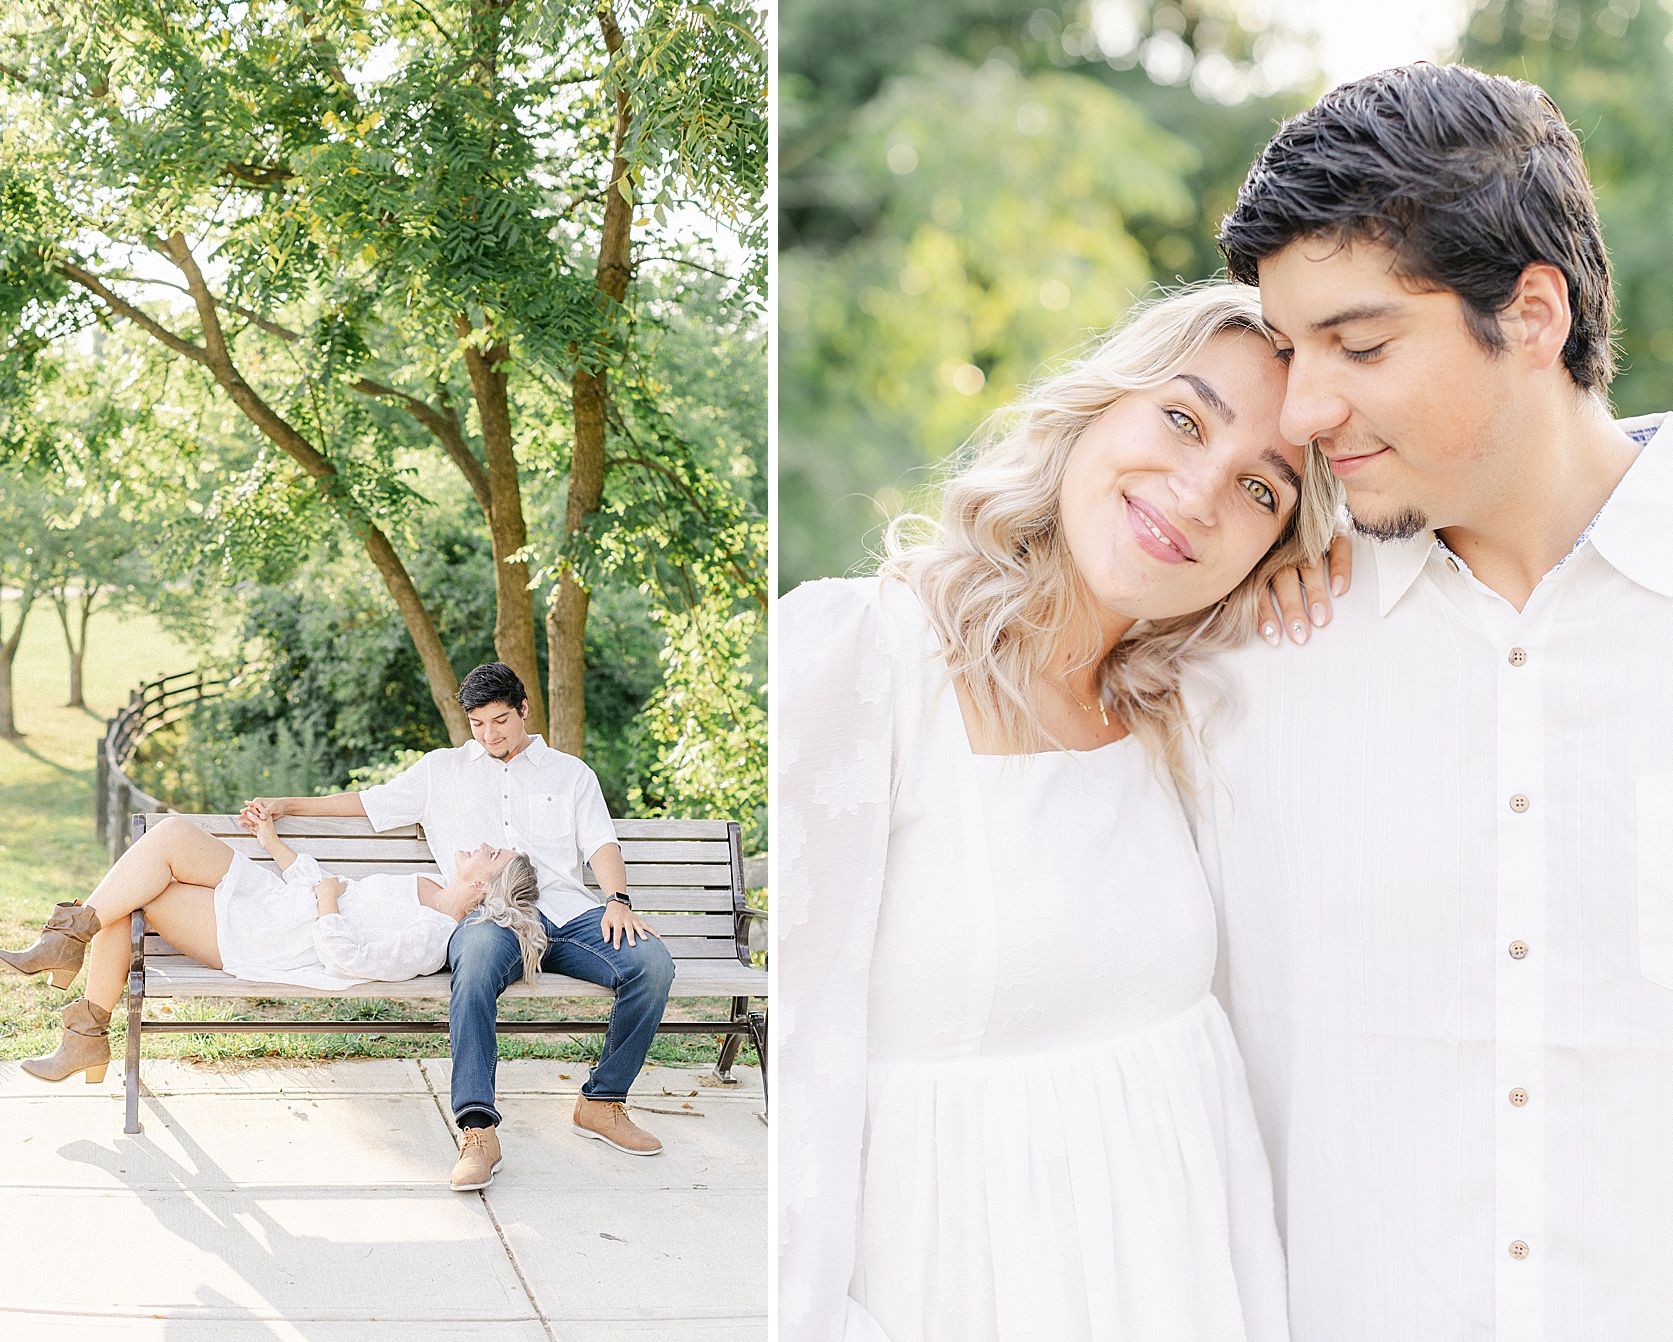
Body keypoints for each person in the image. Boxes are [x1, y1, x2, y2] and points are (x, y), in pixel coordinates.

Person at [1196, 62, 1673, 1339]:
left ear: (1530, 313)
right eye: (1291, 352)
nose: (1305, 409)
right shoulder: (1247, 652)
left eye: (1359, 345)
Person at [779, 280, 1343, 1342]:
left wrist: (1326, 587)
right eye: (1183, 418)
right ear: (1095, 407)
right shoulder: (865, 657)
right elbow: (797, 1073)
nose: (1198, 492)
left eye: (1263, 491)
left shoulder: (1185, 707)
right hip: (946, 1291)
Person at [248, 661, 676, 1192]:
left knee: (651, 965)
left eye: (500, 720)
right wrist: (286, 804)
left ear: (523, 709)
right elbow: (368, 803)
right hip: (488, 915)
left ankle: (603, 1103)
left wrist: (617, 899)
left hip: (565, 911)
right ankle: (478, 1130)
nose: (490, 734)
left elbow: (600, 843)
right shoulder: (440, 771)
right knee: (471, 969)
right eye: (478, 724)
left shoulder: (570, 774)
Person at [0, 817, 525, 1082]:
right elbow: (332, 884)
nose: (482, 844)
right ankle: (69, 962)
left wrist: (325, 902)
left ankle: (76, 993)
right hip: (274, 900)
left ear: (483, 887)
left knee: (133, 902)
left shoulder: (434, 938)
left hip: (269, 937)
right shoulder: (427, 883)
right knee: (173, 832)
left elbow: (349, 960)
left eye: (493, 853)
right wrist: (271, 840)